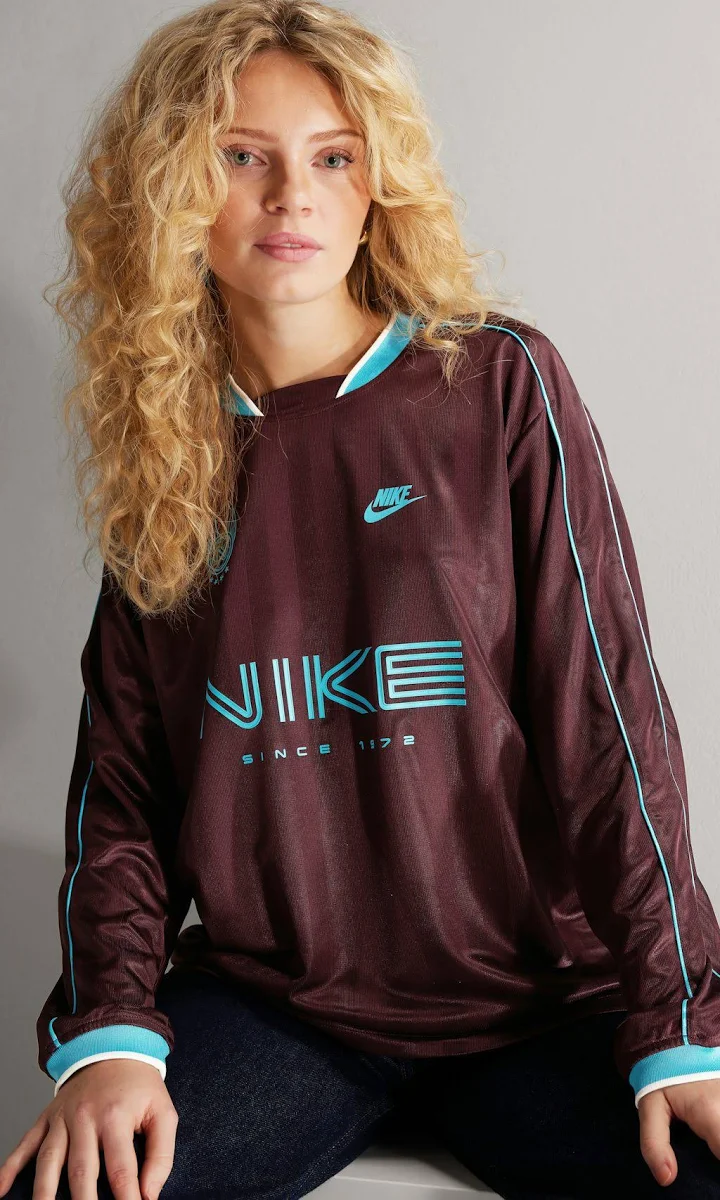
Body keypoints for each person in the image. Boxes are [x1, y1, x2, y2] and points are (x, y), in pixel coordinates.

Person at [3, 1, 720, 1197]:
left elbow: (608, 725)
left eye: (334, 157)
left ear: (378, 182)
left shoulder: (495, 382)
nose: (294, 195)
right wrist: (109, 1032)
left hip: (538, 1002)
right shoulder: (165, 448)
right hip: (282, 1011)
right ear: (171, 186)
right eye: (244, 157)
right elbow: (123, 789)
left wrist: (682, 1016)